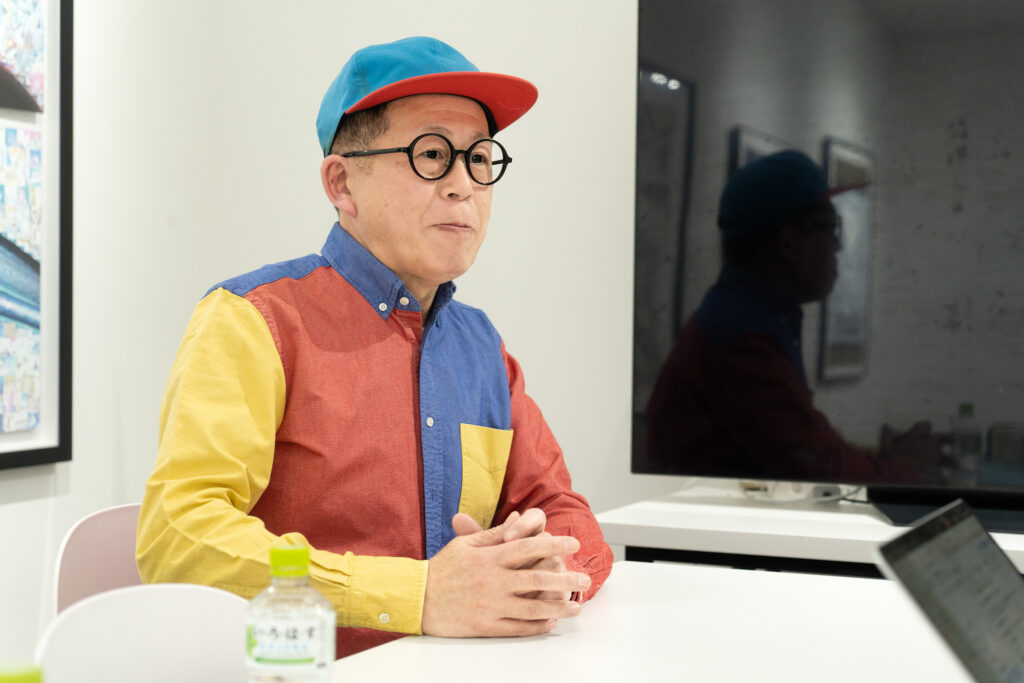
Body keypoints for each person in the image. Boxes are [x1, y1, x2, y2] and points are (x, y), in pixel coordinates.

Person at [136, 36, 612, 659]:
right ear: (342, 184)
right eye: (432, 154)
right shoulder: (253, 320)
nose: (464, 185)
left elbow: (561, 509)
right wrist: (419, 594)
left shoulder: (480, 345)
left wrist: (549, 573)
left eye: (479, 158)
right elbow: (177, 538)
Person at [644, 150, 942, 482]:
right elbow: (816, 471)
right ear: (789, 244)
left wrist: (884, 459)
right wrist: (907, 467)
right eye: (831, 228)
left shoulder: (748, 319)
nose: (838, 246)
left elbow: (808, 445)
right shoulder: (741, 341)